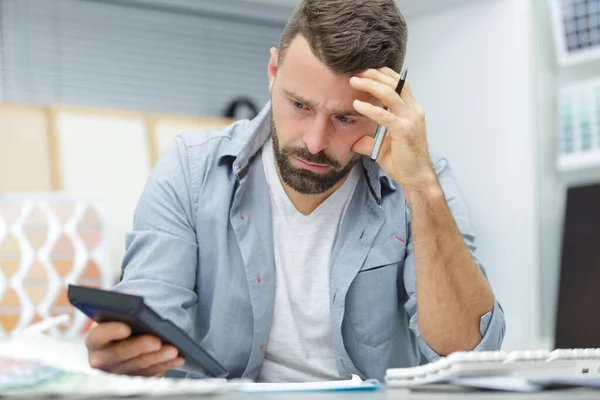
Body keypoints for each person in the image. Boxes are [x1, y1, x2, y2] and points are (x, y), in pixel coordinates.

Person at [84, 0, 505, 382]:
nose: (315, 141)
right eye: (300, 105)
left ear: (386, 110)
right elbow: (150, 313)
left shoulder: (424, 183)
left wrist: (422, 188)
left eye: (344, 118)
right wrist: (125, 349)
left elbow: (465, 354)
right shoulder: (191, 170)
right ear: (273, 72)